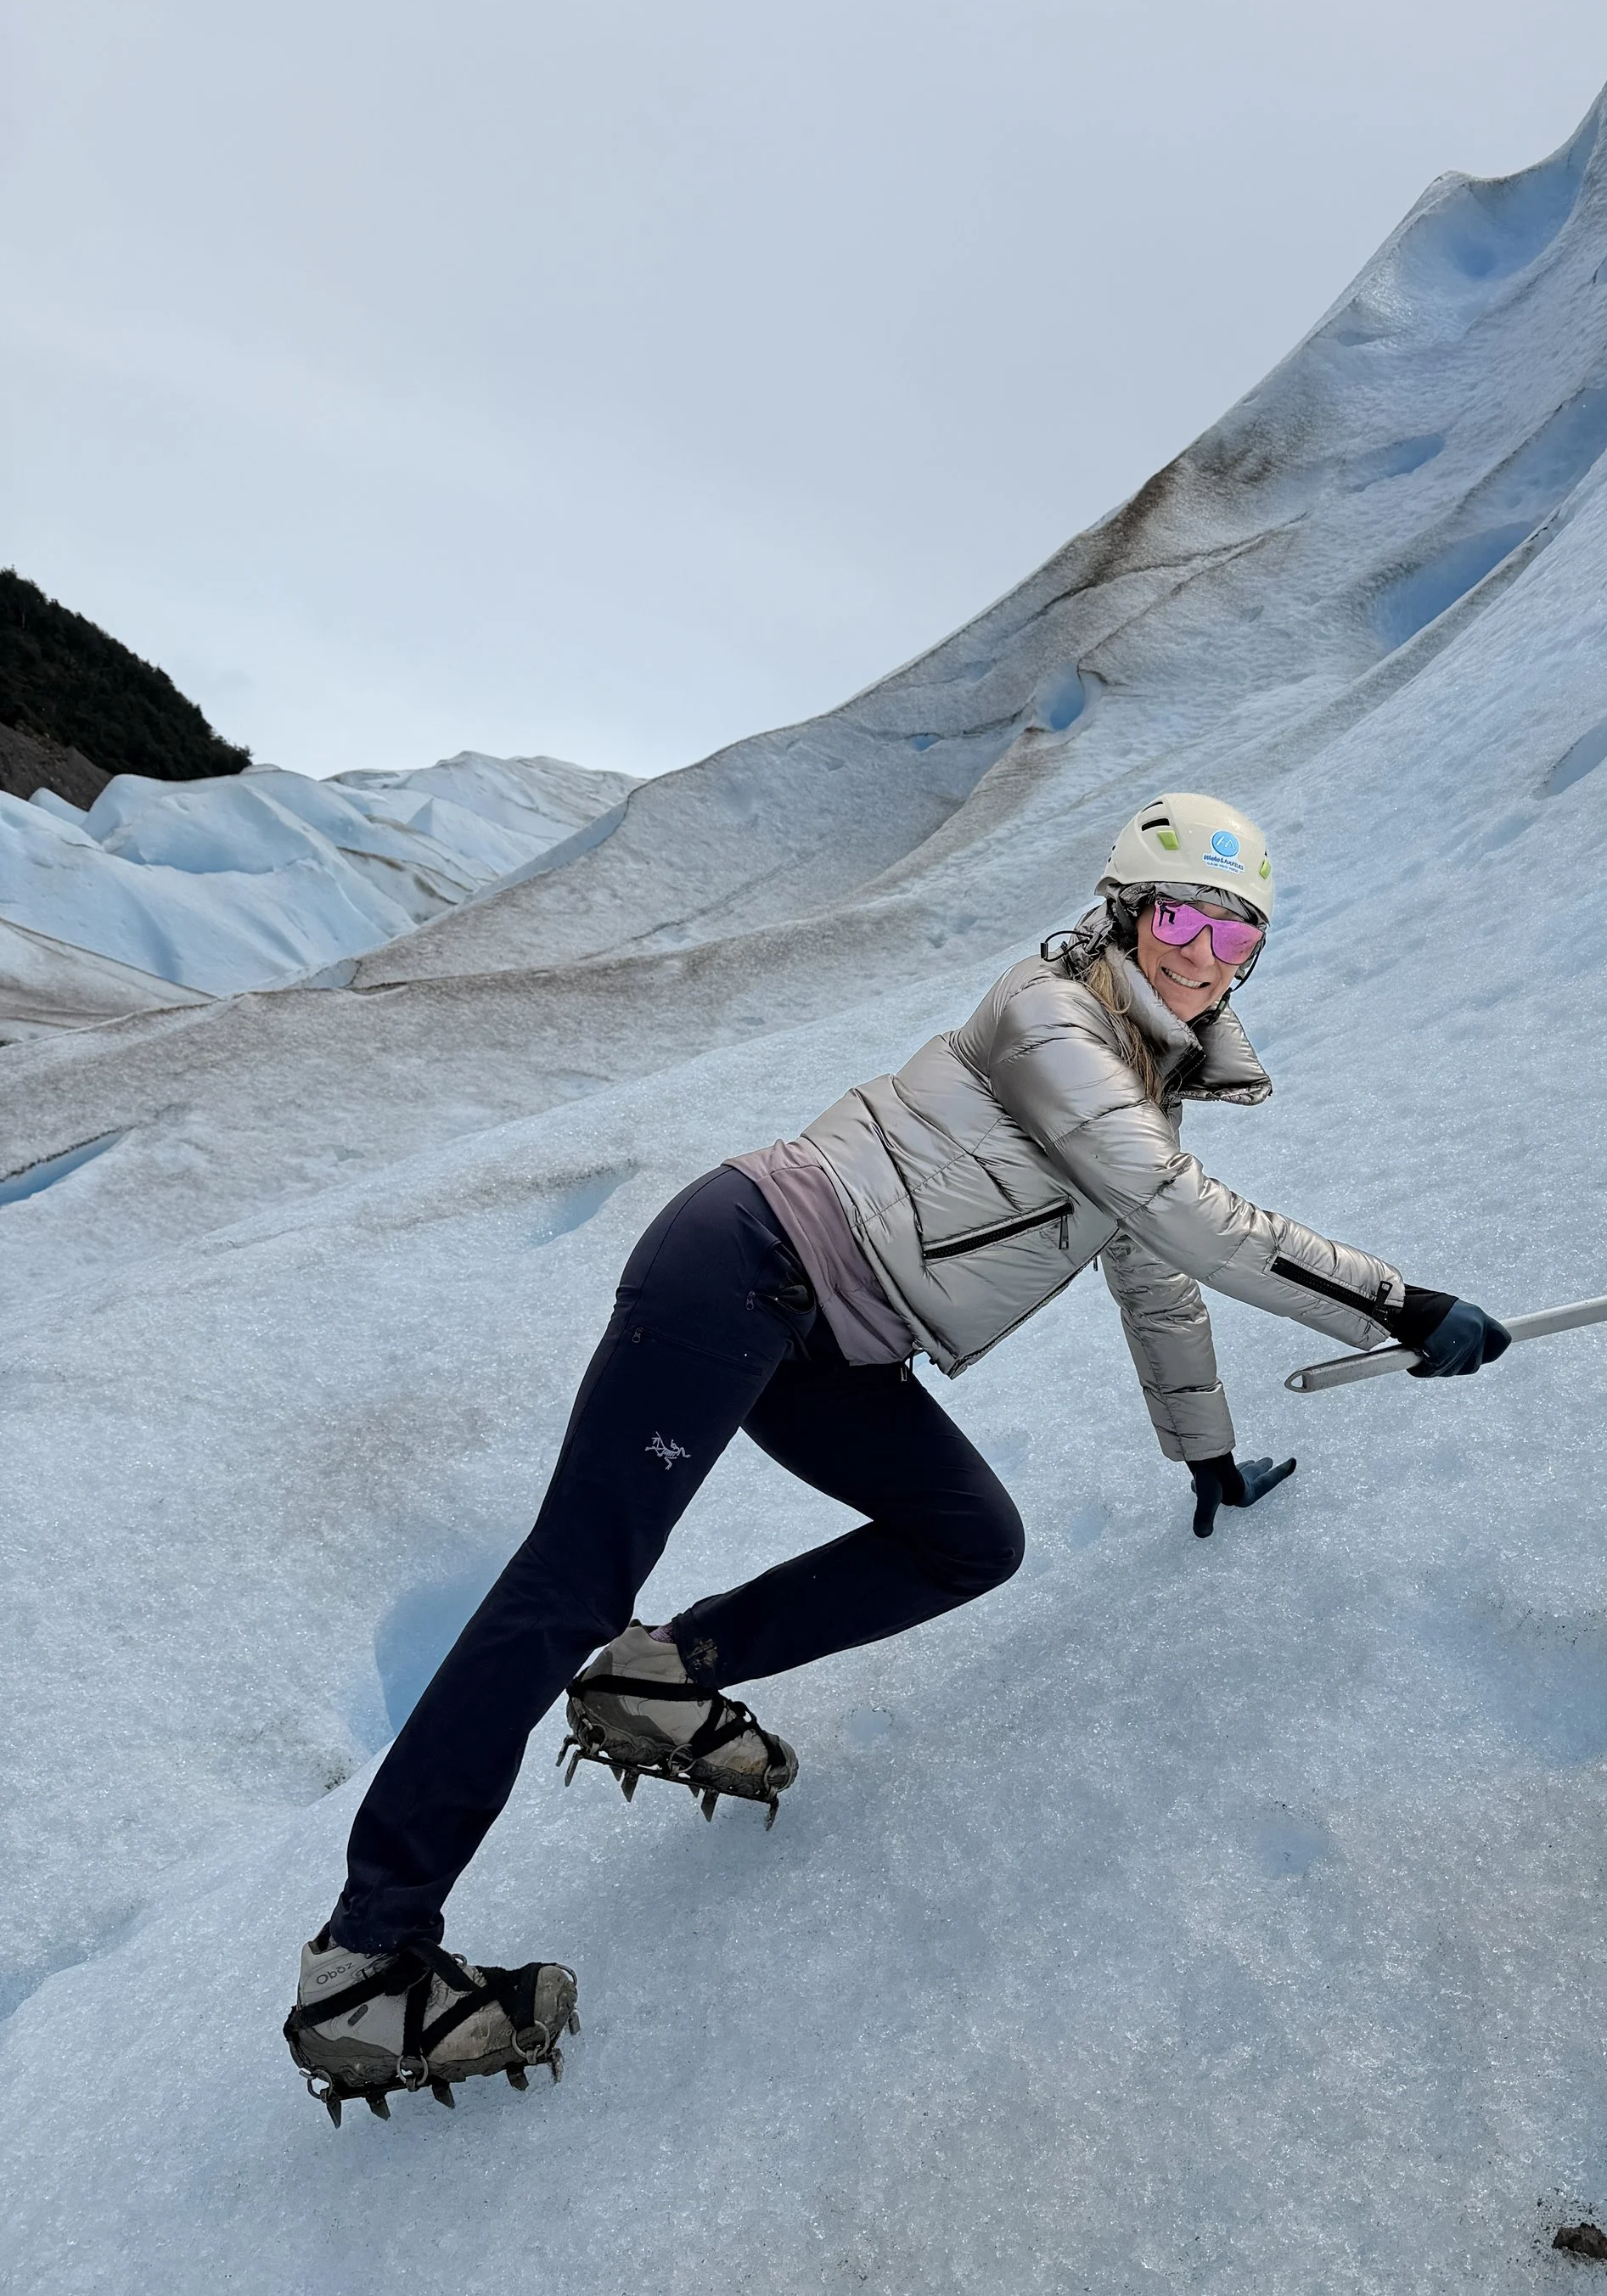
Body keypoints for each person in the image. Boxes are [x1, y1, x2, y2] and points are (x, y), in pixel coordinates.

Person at [283, 794, 1510, 2121]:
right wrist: (1399, 1303)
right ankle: (367, 1959)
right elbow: (1183, 1214)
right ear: (1121, 911)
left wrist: (1205, 1458)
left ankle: (662, 1678)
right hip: (741, 1266)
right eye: (1182, 915)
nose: (1206, 953)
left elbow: (1162, 1274)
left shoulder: (1142, 1096)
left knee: (970, 1538)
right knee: (569, 1578)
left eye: (1238, 932)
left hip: (834, 1343)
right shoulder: (1053, 1024)